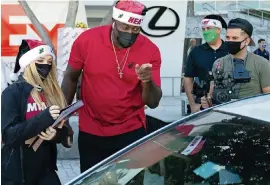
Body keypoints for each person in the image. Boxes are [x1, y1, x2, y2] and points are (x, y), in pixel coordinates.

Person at [61, 0, 162, 173]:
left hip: (131, 130)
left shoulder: (150, 50)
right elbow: (70, 78)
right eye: (124, 27)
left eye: (135, 29)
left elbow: (153, 102)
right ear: (114, 22)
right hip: (91, 129)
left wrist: (147, 81)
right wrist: (63, 120)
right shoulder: (87, 40)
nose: (130, 33)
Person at [1, 39, 71, 185]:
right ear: (28, 63)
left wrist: (55, 135)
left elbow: (65, 131)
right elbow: (9, 136)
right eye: (40, 60)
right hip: (18, 175)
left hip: (46, 171)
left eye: (49, 60)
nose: (46, 64)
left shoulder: (52, 92)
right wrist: (43, 117)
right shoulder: (12, 93)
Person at [201, 18, 270, 109]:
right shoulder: (218, 64)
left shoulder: (262, 64)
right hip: (225, 118)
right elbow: (212, 95)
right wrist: (207, 102)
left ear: (246, 41)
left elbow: (267, 100)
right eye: (228, 37)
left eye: (235, 38)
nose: (230, 41)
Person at [184, 14, 228, 113]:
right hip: (202, 104)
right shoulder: (196, 51)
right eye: (203, 29)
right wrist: (192, 105)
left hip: (227, 102)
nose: (206, 32)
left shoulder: (230, 50)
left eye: (209, 28)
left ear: (218, 30)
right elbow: (188, 77)